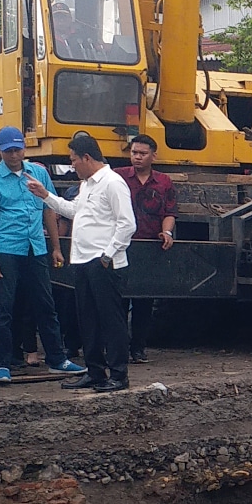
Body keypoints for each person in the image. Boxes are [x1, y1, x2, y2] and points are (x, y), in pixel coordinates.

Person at [0, 125, 85, 383]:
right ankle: (2, 363)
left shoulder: (38, 173)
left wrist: (55, 247)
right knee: (3, 307)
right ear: (1, 151)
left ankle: (57, 359)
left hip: (35, 247)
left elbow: (49, 210)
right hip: (6, 249)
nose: (14, 155)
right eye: (9, 151)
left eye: (18, 149)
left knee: (45, 304)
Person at [28, 132, 136, 393]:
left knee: (111, 319)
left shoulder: (112, 183)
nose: (72, 164)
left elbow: (127, 224)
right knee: (88, 319)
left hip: (102, 261)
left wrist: (108, 255)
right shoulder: (87, 185)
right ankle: (95, 371)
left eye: (74, 159)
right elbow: (74, 210)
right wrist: (46, 196)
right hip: (83, 259)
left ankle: (119, 374)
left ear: (87, 157)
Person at [115, 133, 176, 363]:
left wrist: (167, 232)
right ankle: (117, 348)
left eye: (142, 153)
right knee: (118, 301)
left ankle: (138, 349)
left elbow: (169, 212)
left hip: (150, 246)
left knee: (144, 301)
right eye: (134, 153)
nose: (137, 157)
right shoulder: (118, 177)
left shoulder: (164, 182)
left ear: (153, 155)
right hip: (121, 245)